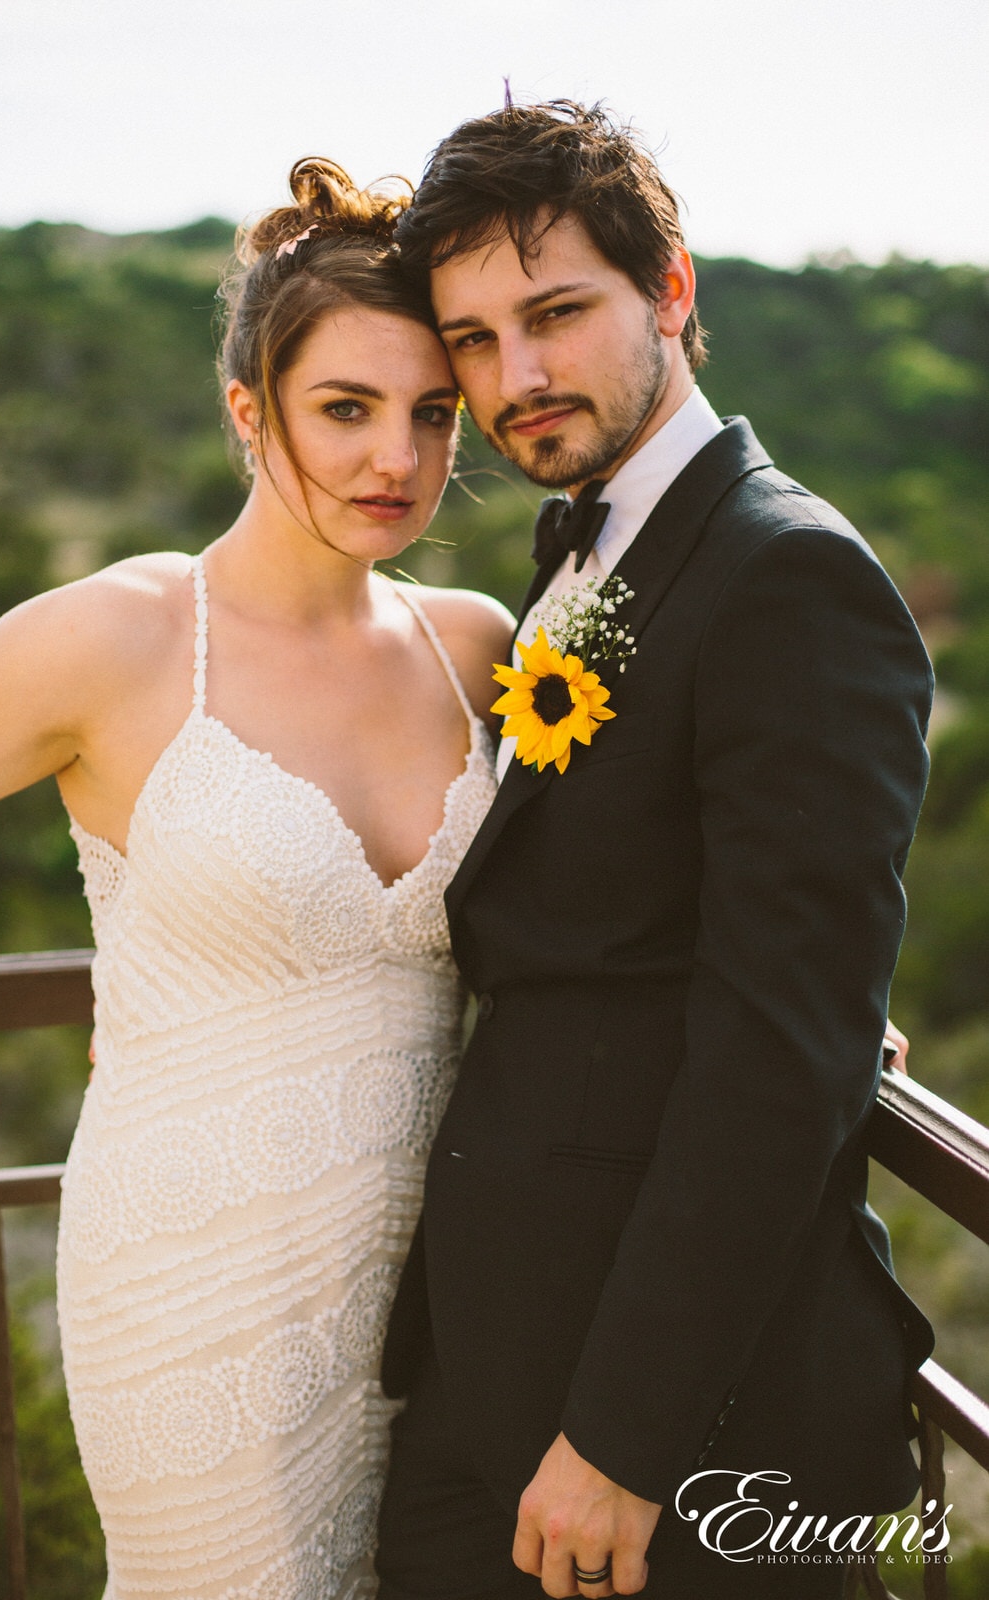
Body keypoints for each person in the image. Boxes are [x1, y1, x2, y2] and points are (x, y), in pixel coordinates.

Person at [0, 159, 512, 1599]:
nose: (400, 461)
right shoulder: (111, 640)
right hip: (193, 1291)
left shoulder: (481, 645)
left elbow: (615, 897)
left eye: (434, 413)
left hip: (438, 1302)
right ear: (250, 408)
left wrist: (800, 995)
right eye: (346, 409)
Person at [374, 101, 934, 1600]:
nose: (518, 376)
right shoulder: (588, 546)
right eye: (474, 341)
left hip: (674, 1443)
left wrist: (623, 1441)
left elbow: (779, 1054)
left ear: (671, 290)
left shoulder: (788, 575)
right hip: (501, 1365)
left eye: (557, 314)